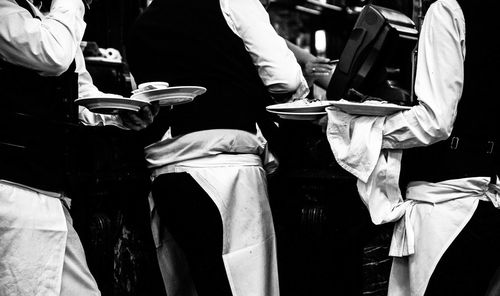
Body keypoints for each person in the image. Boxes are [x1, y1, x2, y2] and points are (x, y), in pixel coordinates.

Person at [125, 0, 308, 295]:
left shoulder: (142, 22)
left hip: (165, 172)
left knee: (197, 282)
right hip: (227, 171)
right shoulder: (234, 2)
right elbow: (284, 79)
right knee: (244, 284)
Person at [326, 0, 499, 295]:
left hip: (448, 206)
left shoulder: (446, 9)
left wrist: (360, 130)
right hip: (487, 196)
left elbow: (435, 120)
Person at [0, 0, 156, 295]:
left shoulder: (50, 19)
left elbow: (80, 93)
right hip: (12, 190)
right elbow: (52, 53)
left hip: (51, 193)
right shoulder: (5, 11)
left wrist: (118, 111)